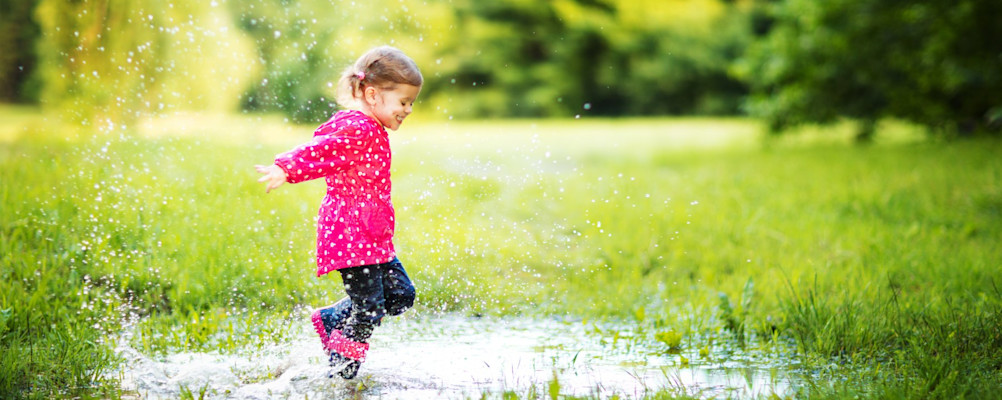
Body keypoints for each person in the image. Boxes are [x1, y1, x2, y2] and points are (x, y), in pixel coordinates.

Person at [255, 46, 421, 379]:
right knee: (370, 308)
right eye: (403, 102)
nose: (408, 110)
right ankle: (342, 373)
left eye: (411, 103)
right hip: (350, 235)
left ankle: (332, 319)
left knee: (401, 294)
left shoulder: (371, 128)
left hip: (371, 235)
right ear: (372, 94)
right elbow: (321, 149)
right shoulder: (356, 127)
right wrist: (286, 168)